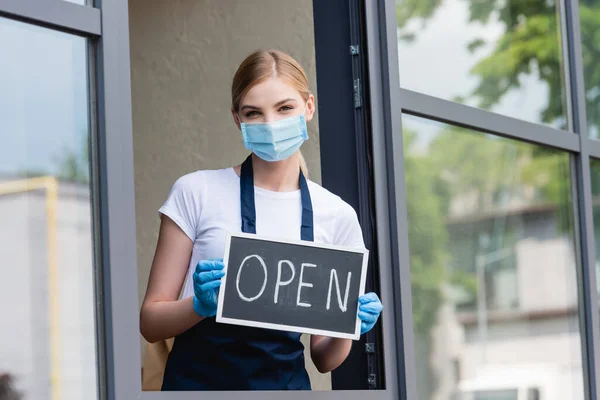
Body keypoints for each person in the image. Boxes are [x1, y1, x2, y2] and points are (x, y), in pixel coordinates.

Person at [139, 49, 383, 391]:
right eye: (254, 113)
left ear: (308, 107)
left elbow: (324, 359)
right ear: (238, 120)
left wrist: (350, 325)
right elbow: (150, 322)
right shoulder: (196, 191)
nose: (271, 124)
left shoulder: (337, 215)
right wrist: (199, 305)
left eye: (285, 108)